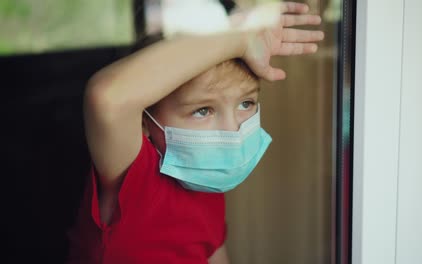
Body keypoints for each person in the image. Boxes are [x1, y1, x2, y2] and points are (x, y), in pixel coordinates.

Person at [67, 2, 324, 263]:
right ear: (144, 120)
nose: (232, 130)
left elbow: (211, 250)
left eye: (246, 104)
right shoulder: (134, 173)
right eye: (203, 110)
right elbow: (107, 98)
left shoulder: (206, 179)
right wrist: (239, 38)